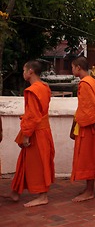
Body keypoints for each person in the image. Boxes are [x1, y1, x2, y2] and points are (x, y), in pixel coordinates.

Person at [7, 60, 55, 207]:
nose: (23, 73)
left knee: (39, 163)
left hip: (36, 131)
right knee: (25, 160)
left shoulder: (34, 90)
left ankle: (43, 196)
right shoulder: (44, 87)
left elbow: (33, 114)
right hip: (42, 129)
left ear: (30, 72)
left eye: (23, 70)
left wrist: (27, 133)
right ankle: (15, 192)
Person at [70, 56, 95, 202]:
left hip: (89, 126)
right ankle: (88, 188)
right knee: (89, 157)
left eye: (72, 67)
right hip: (93, 124)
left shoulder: (85, 83)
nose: (72, 70)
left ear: (78, 67)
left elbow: (90, 106)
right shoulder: (94, 82)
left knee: (87, 158)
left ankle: (89, 191)